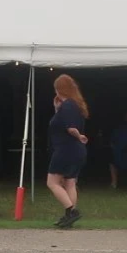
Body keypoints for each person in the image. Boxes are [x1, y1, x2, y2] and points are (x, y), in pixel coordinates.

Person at [46, 74, 90, 228]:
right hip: (76, 151)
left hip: (66, 149)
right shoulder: (74, 105)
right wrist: (57, 109)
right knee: (70, 182)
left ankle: (71, 211)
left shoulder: (68, 105)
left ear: (59, 89)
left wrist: (79, 136)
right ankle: (69, 216)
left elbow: (71, 128)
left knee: (52, 182)